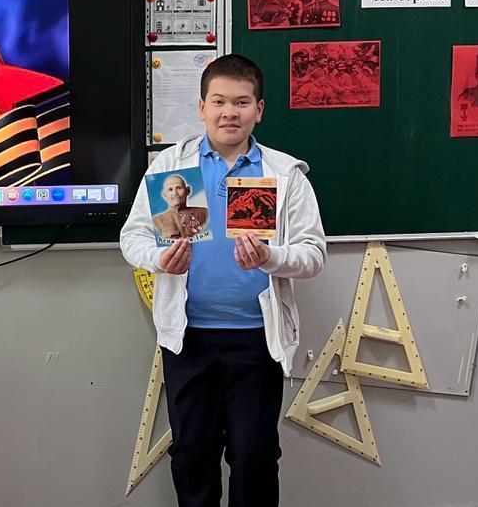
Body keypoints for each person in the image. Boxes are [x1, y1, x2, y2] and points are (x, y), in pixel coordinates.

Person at [121, 54, 327, 507]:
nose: (229, 112)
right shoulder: (170, 168)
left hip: (257, 340)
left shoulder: (284, 174)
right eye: (218, 102)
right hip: (189, 339)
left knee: (255, 459)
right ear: (201, 108)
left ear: (259, 109)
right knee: (192, 457)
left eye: (241, 102)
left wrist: (271, 257)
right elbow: (132, 238)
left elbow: (314, 254)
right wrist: (160, 259)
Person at [152, 174, 210, 239]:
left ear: (187, 191)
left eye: (179, 188)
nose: (175, 193)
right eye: (170, 189)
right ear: (164, 194)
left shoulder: (204, 213)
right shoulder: (157, 221)